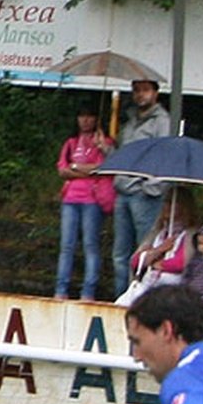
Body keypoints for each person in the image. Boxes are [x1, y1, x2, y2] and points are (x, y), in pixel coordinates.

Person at [111, 80, 171, 298]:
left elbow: (166, 155)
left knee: (143, 252)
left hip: (144, 195)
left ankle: (140, 301)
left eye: (145, 90)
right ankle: (121, 297)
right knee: (120, 254)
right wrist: (106, 148)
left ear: (155, 93)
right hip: (123, 192)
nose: (140, 95)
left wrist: (151, 187)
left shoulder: (162, 121)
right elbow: (120, 154)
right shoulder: (129, 121)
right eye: (136, 90)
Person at [54, 100, 115, 301]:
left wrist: (75, 168)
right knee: (67, 245)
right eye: (82, 116)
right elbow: (62, 170)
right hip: (70, 198)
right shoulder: (71, 142)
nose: (85, 120)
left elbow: (101, 168)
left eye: (89, 116)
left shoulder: (104, 142)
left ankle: (88, 291)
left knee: (91, 245)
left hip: (93, 199)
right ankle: (61, 289)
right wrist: (83, 169)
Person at [115, 186, 196, 307]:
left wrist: (157, 263)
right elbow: (136, 261)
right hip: (149, 285)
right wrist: (159, 250)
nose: (166, 207)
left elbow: (181, 263)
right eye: (165, 202)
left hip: (173, 289)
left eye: (171, 203)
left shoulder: (190, 234)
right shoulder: (157, 233)